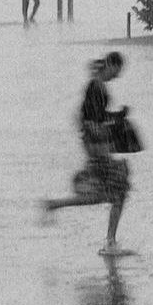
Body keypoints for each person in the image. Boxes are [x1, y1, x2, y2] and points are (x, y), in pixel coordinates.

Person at [41, 51, 131, 254]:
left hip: (96, 147)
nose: (117, 76)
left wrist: (116, 117)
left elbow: (92, 117)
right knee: (116, 192)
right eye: (117, 71)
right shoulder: (96, 88)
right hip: (97, 148)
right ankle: (110, 243)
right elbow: (90, 121)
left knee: (103, 194)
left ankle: (54, 205)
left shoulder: (97, 86)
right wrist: (106, 134)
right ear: (110, 65)